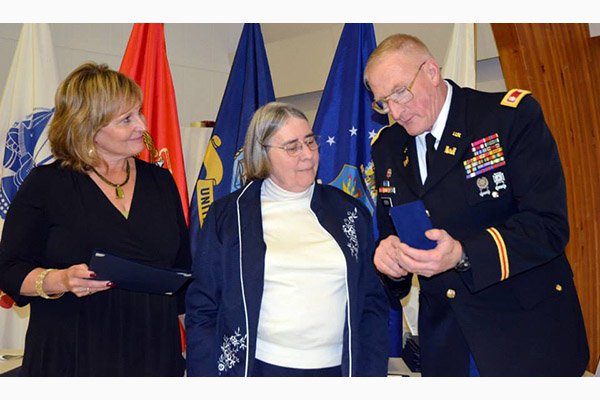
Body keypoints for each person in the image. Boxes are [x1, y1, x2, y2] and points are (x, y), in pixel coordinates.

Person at [364, 34, 589, 376]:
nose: (395, 111)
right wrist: (388, 260)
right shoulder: (388, 147)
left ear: (431, 72)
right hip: (447, 343)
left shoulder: (506, 117)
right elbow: (393, 234)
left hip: (525, 333)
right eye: (383, 102)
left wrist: (463, 254)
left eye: (400, 92)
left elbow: (548, 226)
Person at [0, 62, 190, 376]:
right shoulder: (47, 184)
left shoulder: (160, 181)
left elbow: (182, 271)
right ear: (89, 128)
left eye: (139, 113)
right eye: (126, 119)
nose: (142, 125)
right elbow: (8, 269)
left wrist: (196, 346)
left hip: (155, 354)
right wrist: (59, 280)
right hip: (73, 354)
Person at [185, 102, 389, 377]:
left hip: (338, 370)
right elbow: (203, 307)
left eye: (310, 142)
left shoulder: (350, 212)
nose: (307, 155)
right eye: (292, 147)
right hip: (257, 369)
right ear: (263, 154)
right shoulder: (229, 216)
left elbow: (372, 304)